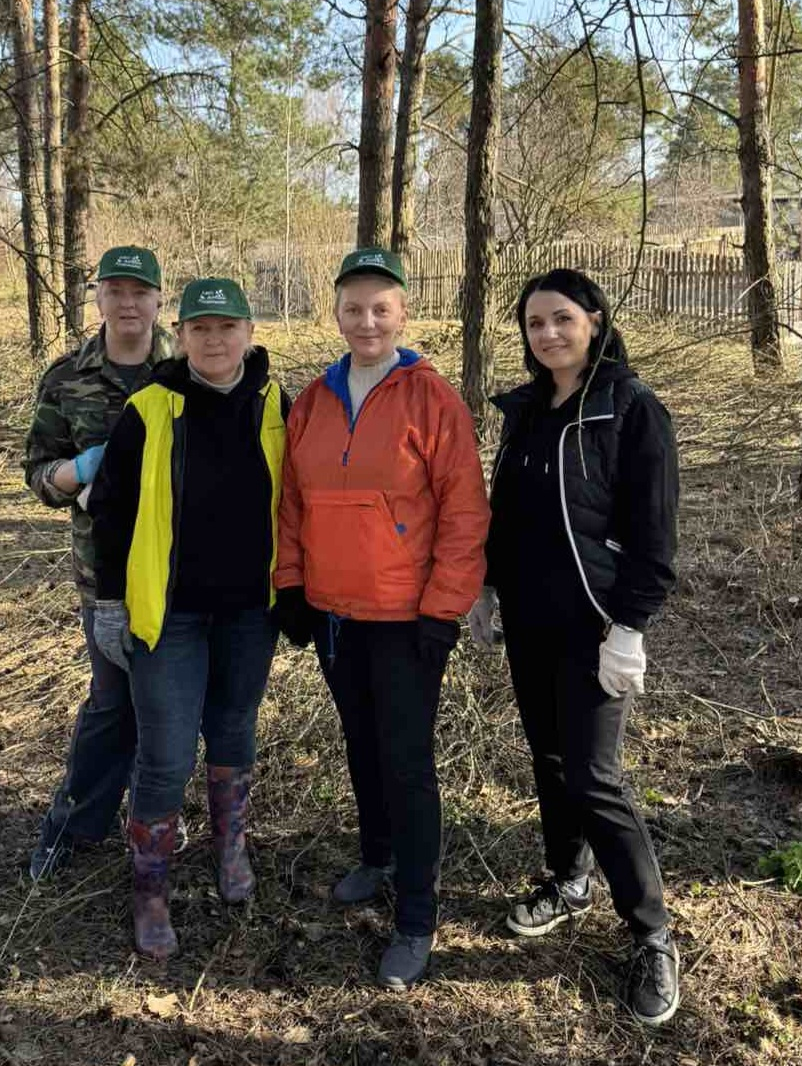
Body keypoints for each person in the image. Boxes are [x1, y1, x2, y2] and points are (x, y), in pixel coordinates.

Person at [468, 268, 680, 1026]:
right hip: (531, 621)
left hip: (596, 625)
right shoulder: (527, 410)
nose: (548, 334)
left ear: (594, 319)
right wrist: (487, 585)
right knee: (551, 762)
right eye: (535, 323)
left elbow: (654, 534)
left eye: (562, 318)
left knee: (594, 777)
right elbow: (509, 510)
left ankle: (651, 935)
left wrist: (630, 627)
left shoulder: (630, 408)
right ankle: (568, 879)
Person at [274, 247, 490, 989]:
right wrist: (291, 585)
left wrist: (443, 610)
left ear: (402, 313)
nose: (366, 320)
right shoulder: (314, 399)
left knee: (406, 761)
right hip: (334, 615)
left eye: (380, 308)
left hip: (405, 619)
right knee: (360, 744)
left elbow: (464, 514)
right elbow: (291, 503)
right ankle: (378, 856)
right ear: (335, 314)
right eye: (353, 308)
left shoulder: (433, 400)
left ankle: (417, 918)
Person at [88, 278, 287, 961]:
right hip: (168, 617)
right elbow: (110, 512)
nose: (214, 339)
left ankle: (229, 849)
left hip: (248, 613)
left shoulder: (276, 405)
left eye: (227, 327)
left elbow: (299, 502)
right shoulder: (149, 408)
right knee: (166, 754)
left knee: (233, 731)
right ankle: (150, 889)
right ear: (181, 335)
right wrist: (110, 604)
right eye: (200, 328)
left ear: (249, 333)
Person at [24, 246, 173, 881]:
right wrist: (75, 471)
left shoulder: (187, 367)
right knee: (112, 703)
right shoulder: (67, 377)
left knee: (164, 704)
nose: (129, 303)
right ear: (100, 298)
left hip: (177, 572)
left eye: (140, 292)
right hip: (103, 574)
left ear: (159, 298)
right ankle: (72, 827)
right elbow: (37, 471)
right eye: (116, 291)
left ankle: (153, 819)